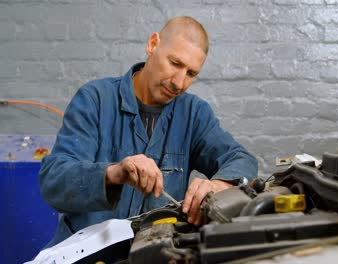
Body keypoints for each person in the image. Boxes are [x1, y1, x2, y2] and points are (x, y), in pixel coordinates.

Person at [38, 16, 258, 247]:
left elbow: (240, 159)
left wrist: (220, 185)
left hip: (153, 253)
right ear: (153, 44)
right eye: (175, 63)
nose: (179, 83)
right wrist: (114, 174)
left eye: (191, 73)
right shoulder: (95, 100)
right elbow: (54, 181)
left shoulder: (194, 114)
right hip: (83, 254)